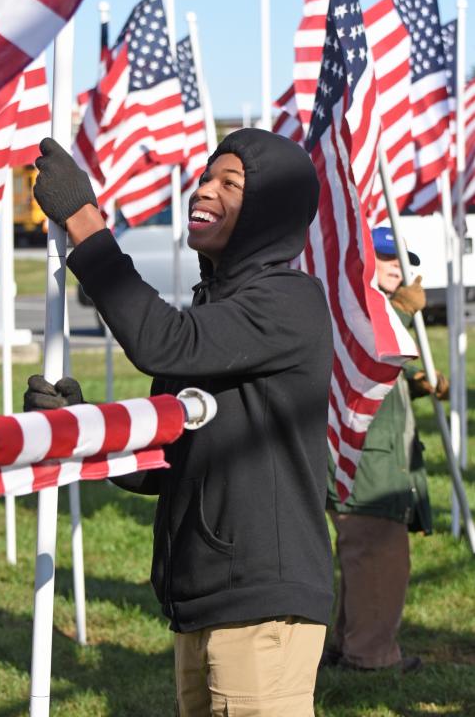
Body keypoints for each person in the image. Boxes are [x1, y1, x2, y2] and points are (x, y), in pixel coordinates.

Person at [24, 128, 334, 716]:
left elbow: (160, 343)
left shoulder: (289, 300)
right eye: (206, 176)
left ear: (269, 211)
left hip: (260, 603)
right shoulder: (216, 308)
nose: (204, 190)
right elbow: (170, 456)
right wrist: (84, 432)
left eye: (231, 182)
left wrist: (86, 225)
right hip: (203, 598)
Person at [323, 225, 449, 673]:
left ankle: (347, 646)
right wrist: (398, 310)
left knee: (365, 559)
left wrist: (413, 386)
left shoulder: (369, 306)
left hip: (376, 457)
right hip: (365, 462)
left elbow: (370, 381)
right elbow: (357, 351)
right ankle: (369, 658)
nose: (398, 268)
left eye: (402, 261)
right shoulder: (357, 306)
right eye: (386, 257)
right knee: (378, 557)